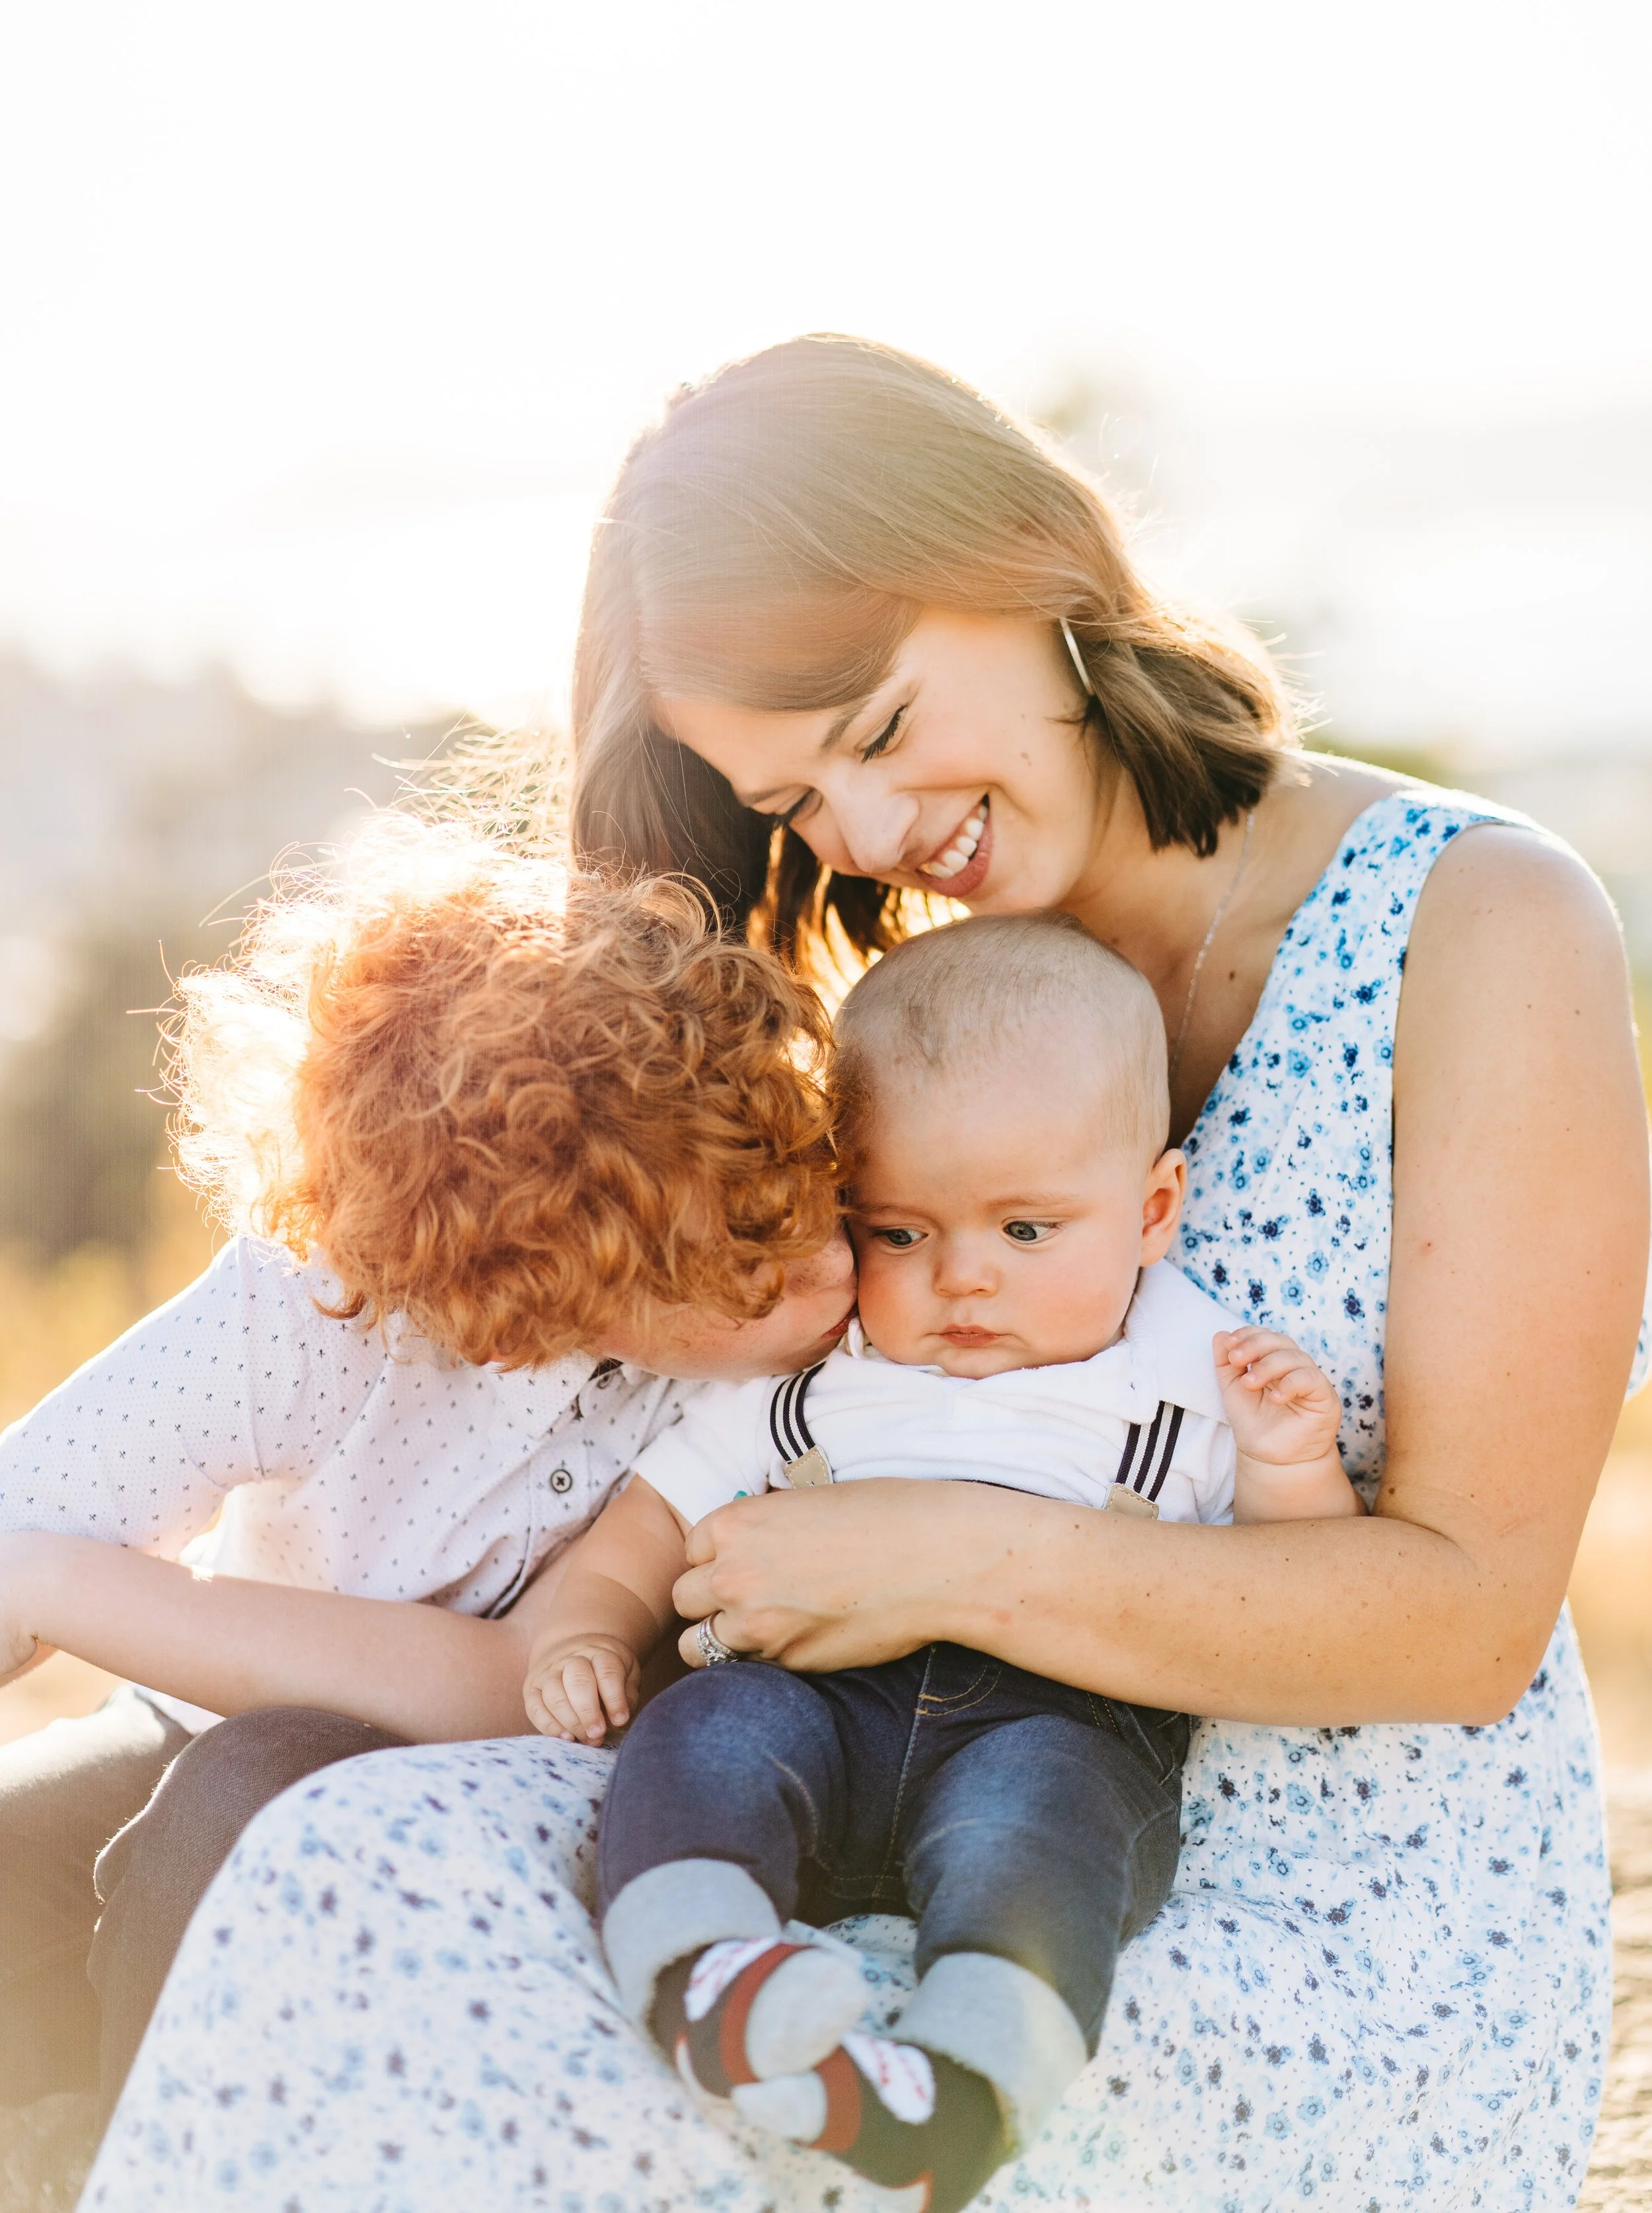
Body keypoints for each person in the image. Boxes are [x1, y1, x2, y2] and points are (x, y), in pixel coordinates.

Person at [86, 336, 1649, 2212]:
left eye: (883, 726)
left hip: (1316, 1907)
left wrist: (943, 1553)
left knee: (400, 1950)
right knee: (301, 1827)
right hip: (879, 1793)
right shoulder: (916, 980)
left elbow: (1466, 1618)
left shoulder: (1477, 920)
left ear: (1017, 549)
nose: (873, 833)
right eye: (798, 797)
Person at [0, 821, 854, 2137]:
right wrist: (39, 1573)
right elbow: (27, 1513)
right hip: (195, 1713)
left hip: (515, 1775)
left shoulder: (776, 1386)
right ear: (538, 1304)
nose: (826, 1258)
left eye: (796, 1178)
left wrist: (63, 1584)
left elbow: (510, 1687)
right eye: (745, 1253)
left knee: (247, 1801)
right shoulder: (323, 1310)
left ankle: (135, 2149)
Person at [527, 913, 1359, 2212]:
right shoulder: (816, 1382)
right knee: (704, 1734)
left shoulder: (1187, 1382)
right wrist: (586, 1625)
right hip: (814, 1707)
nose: (963, 1279)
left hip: (1050, 1723)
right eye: (900, 1234)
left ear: (1149, 1212)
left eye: (1026, 1232)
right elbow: (645, 1517)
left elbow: (1299, 1605)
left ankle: (956, 2094)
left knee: (1038, 1827)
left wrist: (1293, 1464)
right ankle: (701, 1976)